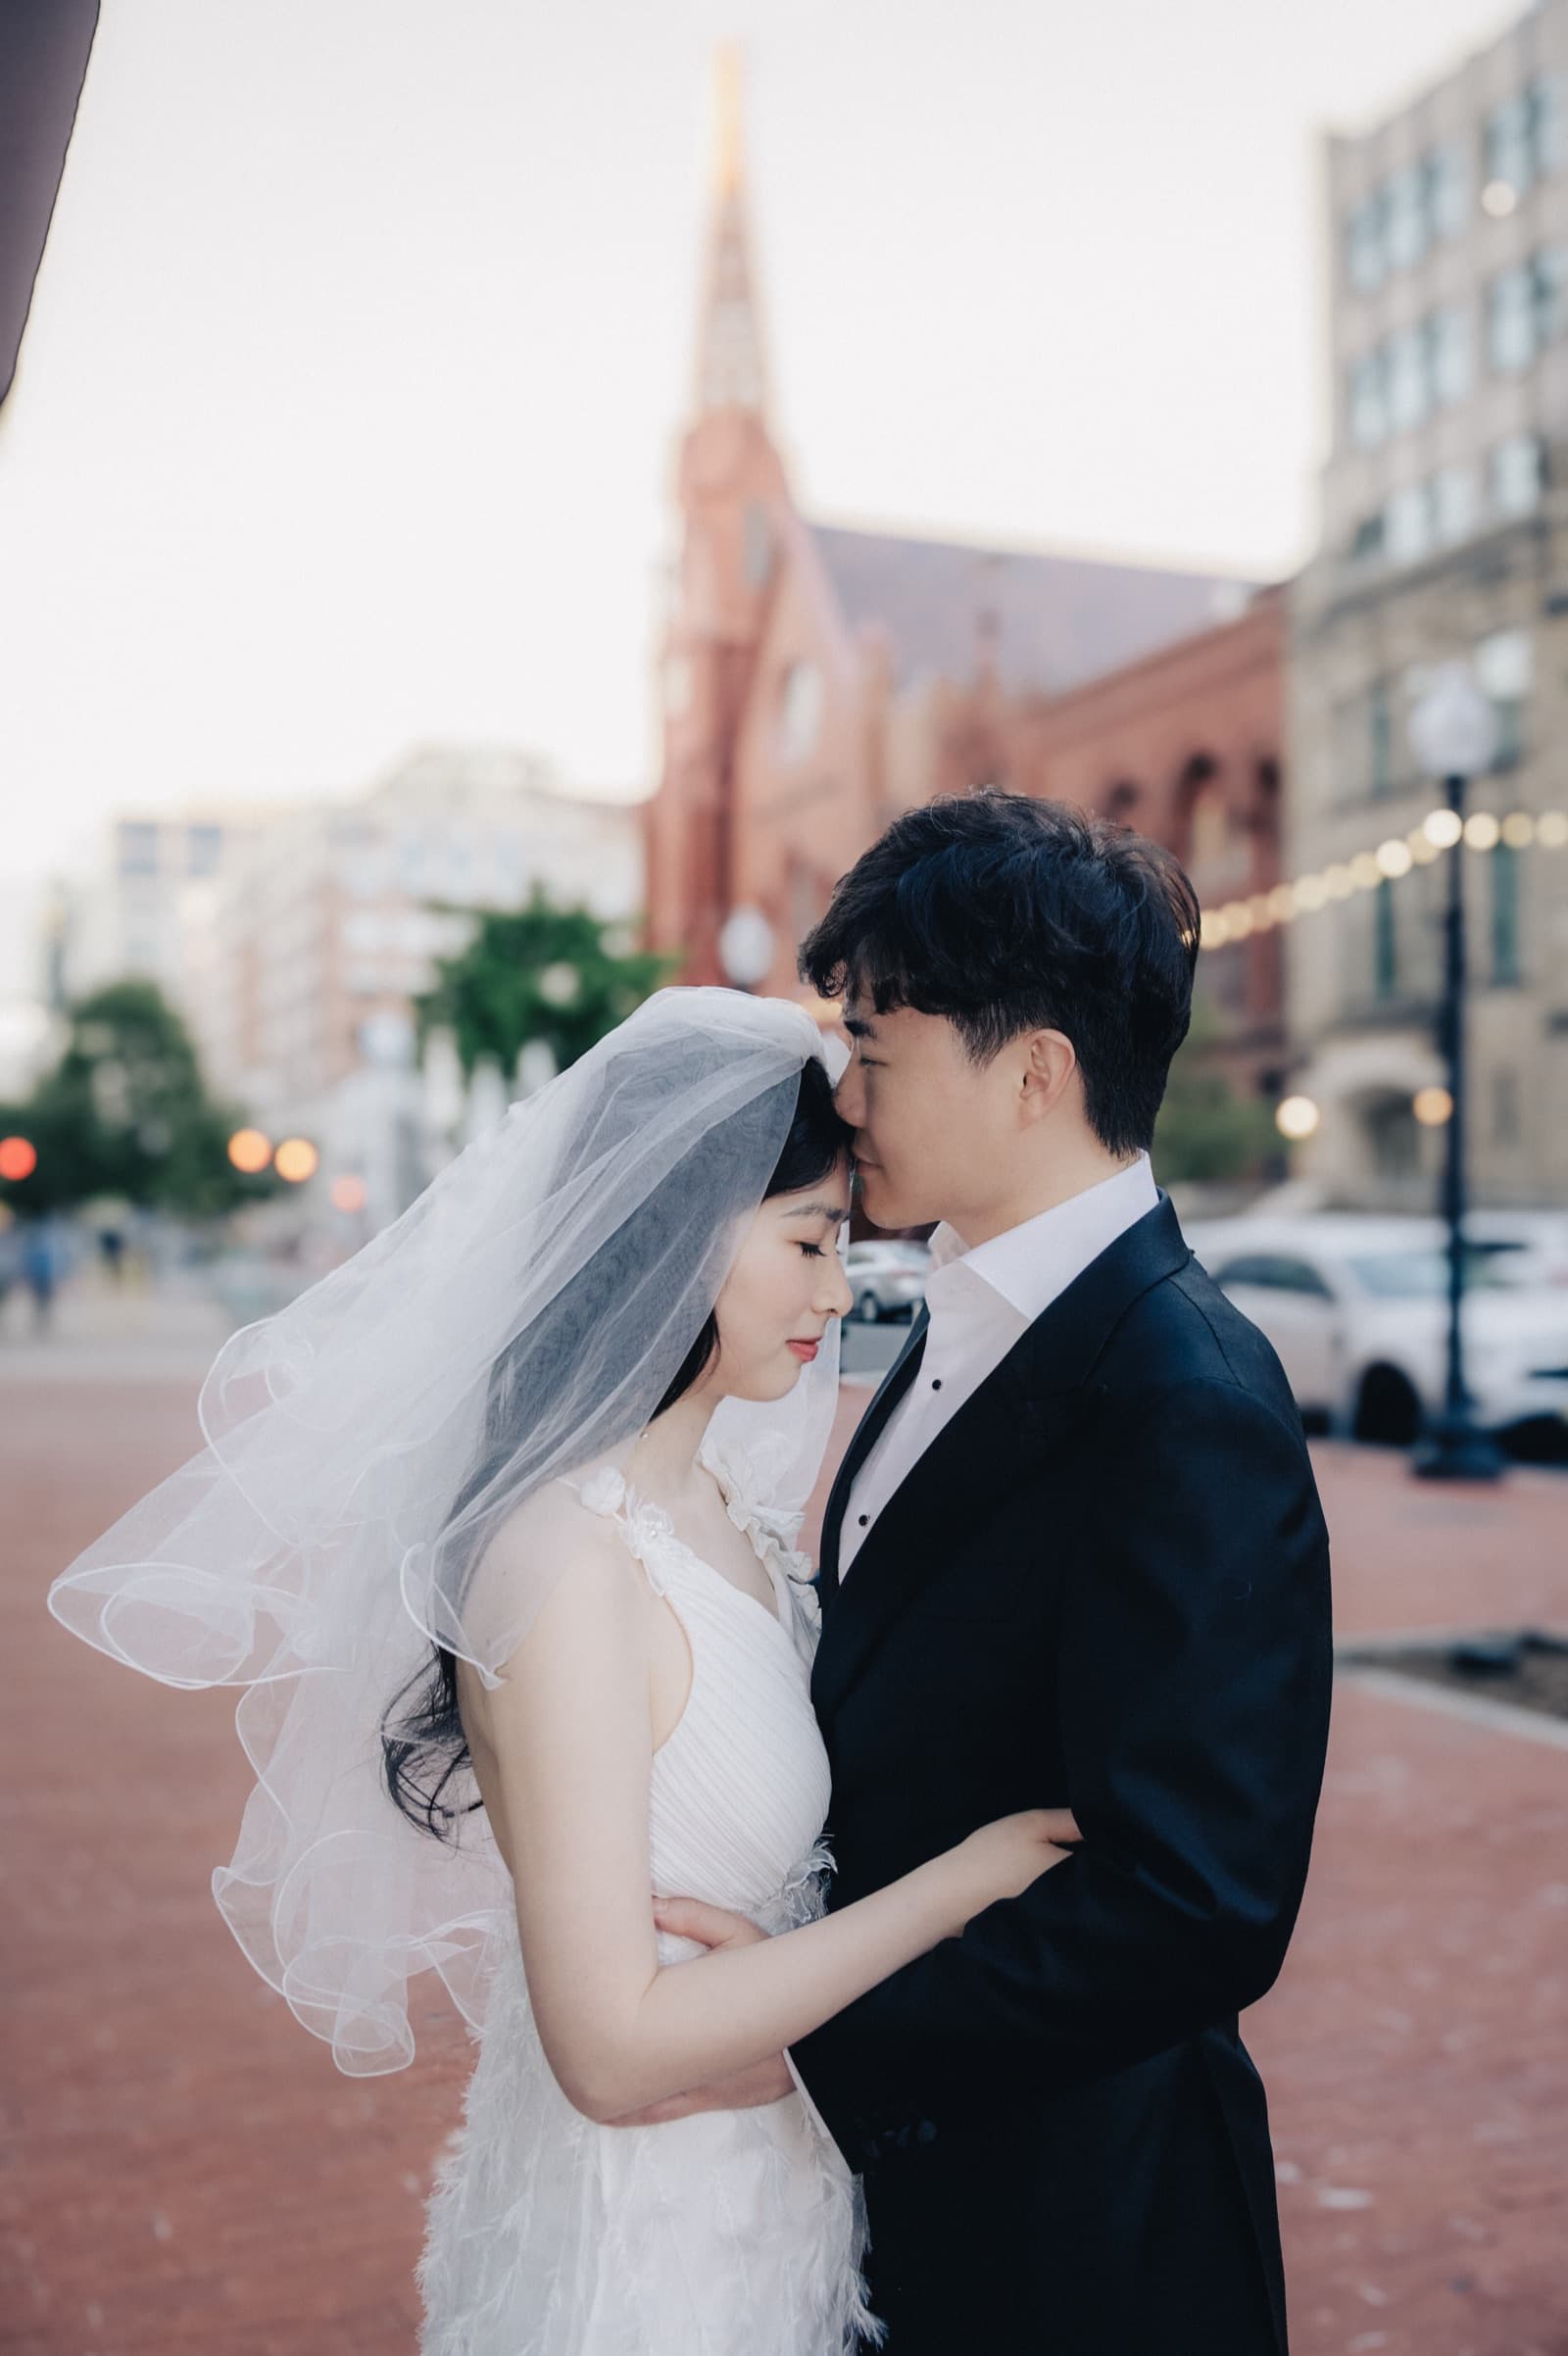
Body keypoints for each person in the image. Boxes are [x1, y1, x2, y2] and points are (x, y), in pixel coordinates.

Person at [48, 988, 1074, 2356]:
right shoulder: (567, 1563)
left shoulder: (724, 1503)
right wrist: (969, 1882)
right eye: (810, 1239)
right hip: (647, 2253)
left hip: (767, 2199)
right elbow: (611, 2049)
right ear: (672, 1236)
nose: (838, 1290)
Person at [640, 796, 1335, 2356]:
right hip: (894, 2213)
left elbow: (1197, 1904)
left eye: (877, 1047)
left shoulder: (1186, 1400)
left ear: (1035, 1073)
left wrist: (822, 2045)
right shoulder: (944, 1306)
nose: (844, 1087)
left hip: (1076, 2230)